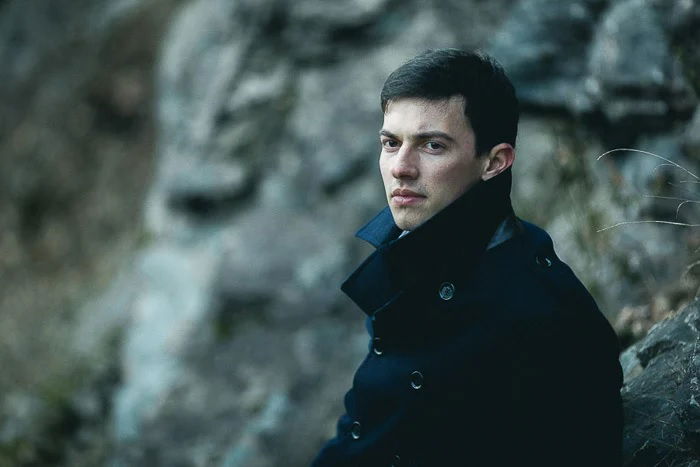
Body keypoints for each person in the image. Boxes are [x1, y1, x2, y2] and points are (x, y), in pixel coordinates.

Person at [310, 48, 623, 467]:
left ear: (494, 161)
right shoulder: (414, 254)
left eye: (432, 145)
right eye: (391, 143)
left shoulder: (545, 310)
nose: (401, 167)